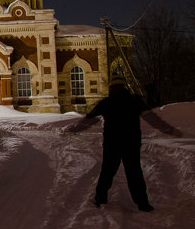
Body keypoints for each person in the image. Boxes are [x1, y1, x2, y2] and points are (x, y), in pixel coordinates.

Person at [67, 76, 181, 211]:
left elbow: (89, 120)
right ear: (124, 87)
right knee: (134, 173)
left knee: (107, 172)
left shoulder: (106, 103)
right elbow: (152, 119)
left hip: (112, 143)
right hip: (131, 143)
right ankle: (143, 204)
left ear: (111, 88)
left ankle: (100, 199)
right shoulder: (134, 101)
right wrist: (169, 130)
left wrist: (73, 129)